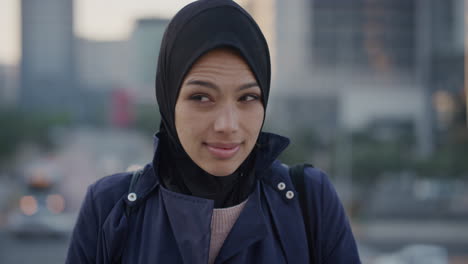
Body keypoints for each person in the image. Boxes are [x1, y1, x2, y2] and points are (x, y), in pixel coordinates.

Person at [66, 0, 361, 263]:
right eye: (201, 98)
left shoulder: (310, 200)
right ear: (169, 100)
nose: (227, 125)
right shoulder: (108, 207)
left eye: (247, 98)